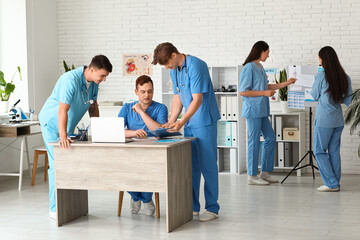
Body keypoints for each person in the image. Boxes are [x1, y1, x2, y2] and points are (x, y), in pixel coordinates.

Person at [152, 42, 220, 222]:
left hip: (204, 121)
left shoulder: (197, 65)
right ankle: (193, 207)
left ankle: (212, 208)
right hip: (189, 123)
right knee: (193, 167)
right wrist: (172, 121)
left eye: (167, 63)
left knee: (208, 165)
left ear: (174, 55)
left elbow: (197, 100)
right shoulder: (174, 70)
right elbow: (178, 97)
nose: (167, 67)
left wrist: (181, 121)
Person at [39, 55, 112, 219]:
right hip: (52, 124)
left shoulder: (94, 84)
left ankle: (72, 206)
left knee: (72, 165)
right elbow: (62, 110)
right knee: (57, 164)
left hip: (66, 126)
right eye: (102, 75)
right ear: (91, 70)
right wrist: (62, 136)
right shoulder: (69, 80)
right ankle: (55, 208)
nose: (104, 79)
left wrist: (99, 129)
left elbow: (93, 107)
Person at [239, 41, 296, 185]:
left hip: (263, 111)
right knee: (253, 142)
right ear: (260, 51)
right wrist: (264, 92)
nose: (268, 55)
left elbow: (267, 86)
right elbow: (243, 91)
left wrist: (287, 83)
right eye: (267, 52)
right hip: (252, 111)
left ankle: (264, 173)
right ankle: (252, 176)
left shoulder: (260, 67)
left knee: (270, 138)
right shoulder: (248, 68)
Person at [118, 75, 168, 215]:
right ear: (136, 92)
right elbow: (116, 130)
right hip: (131, 151)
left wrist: (140, 111)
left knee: (149, 171)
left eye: (150, 91)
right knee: (123, 170)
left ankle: (146, 199)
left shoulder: (160, 108)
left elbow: (159, 132)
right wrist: (133, 133)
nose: (147, 95)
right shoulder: (127, 108)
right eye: (143, 91)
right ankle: (135, 197)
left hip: (152, 151)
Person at [311, 46, 352, 192]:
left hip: (324, 121)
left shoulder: (321, 76)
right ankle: (335, 183)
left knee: (319, 151)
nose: (318, 60)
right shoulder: (344, 76)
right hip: (337, 120)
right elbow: (347, 100)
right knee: (334, 152)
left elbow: (314, 95)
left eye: (319, 57)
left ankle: (331, 183)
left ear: (323, 59)